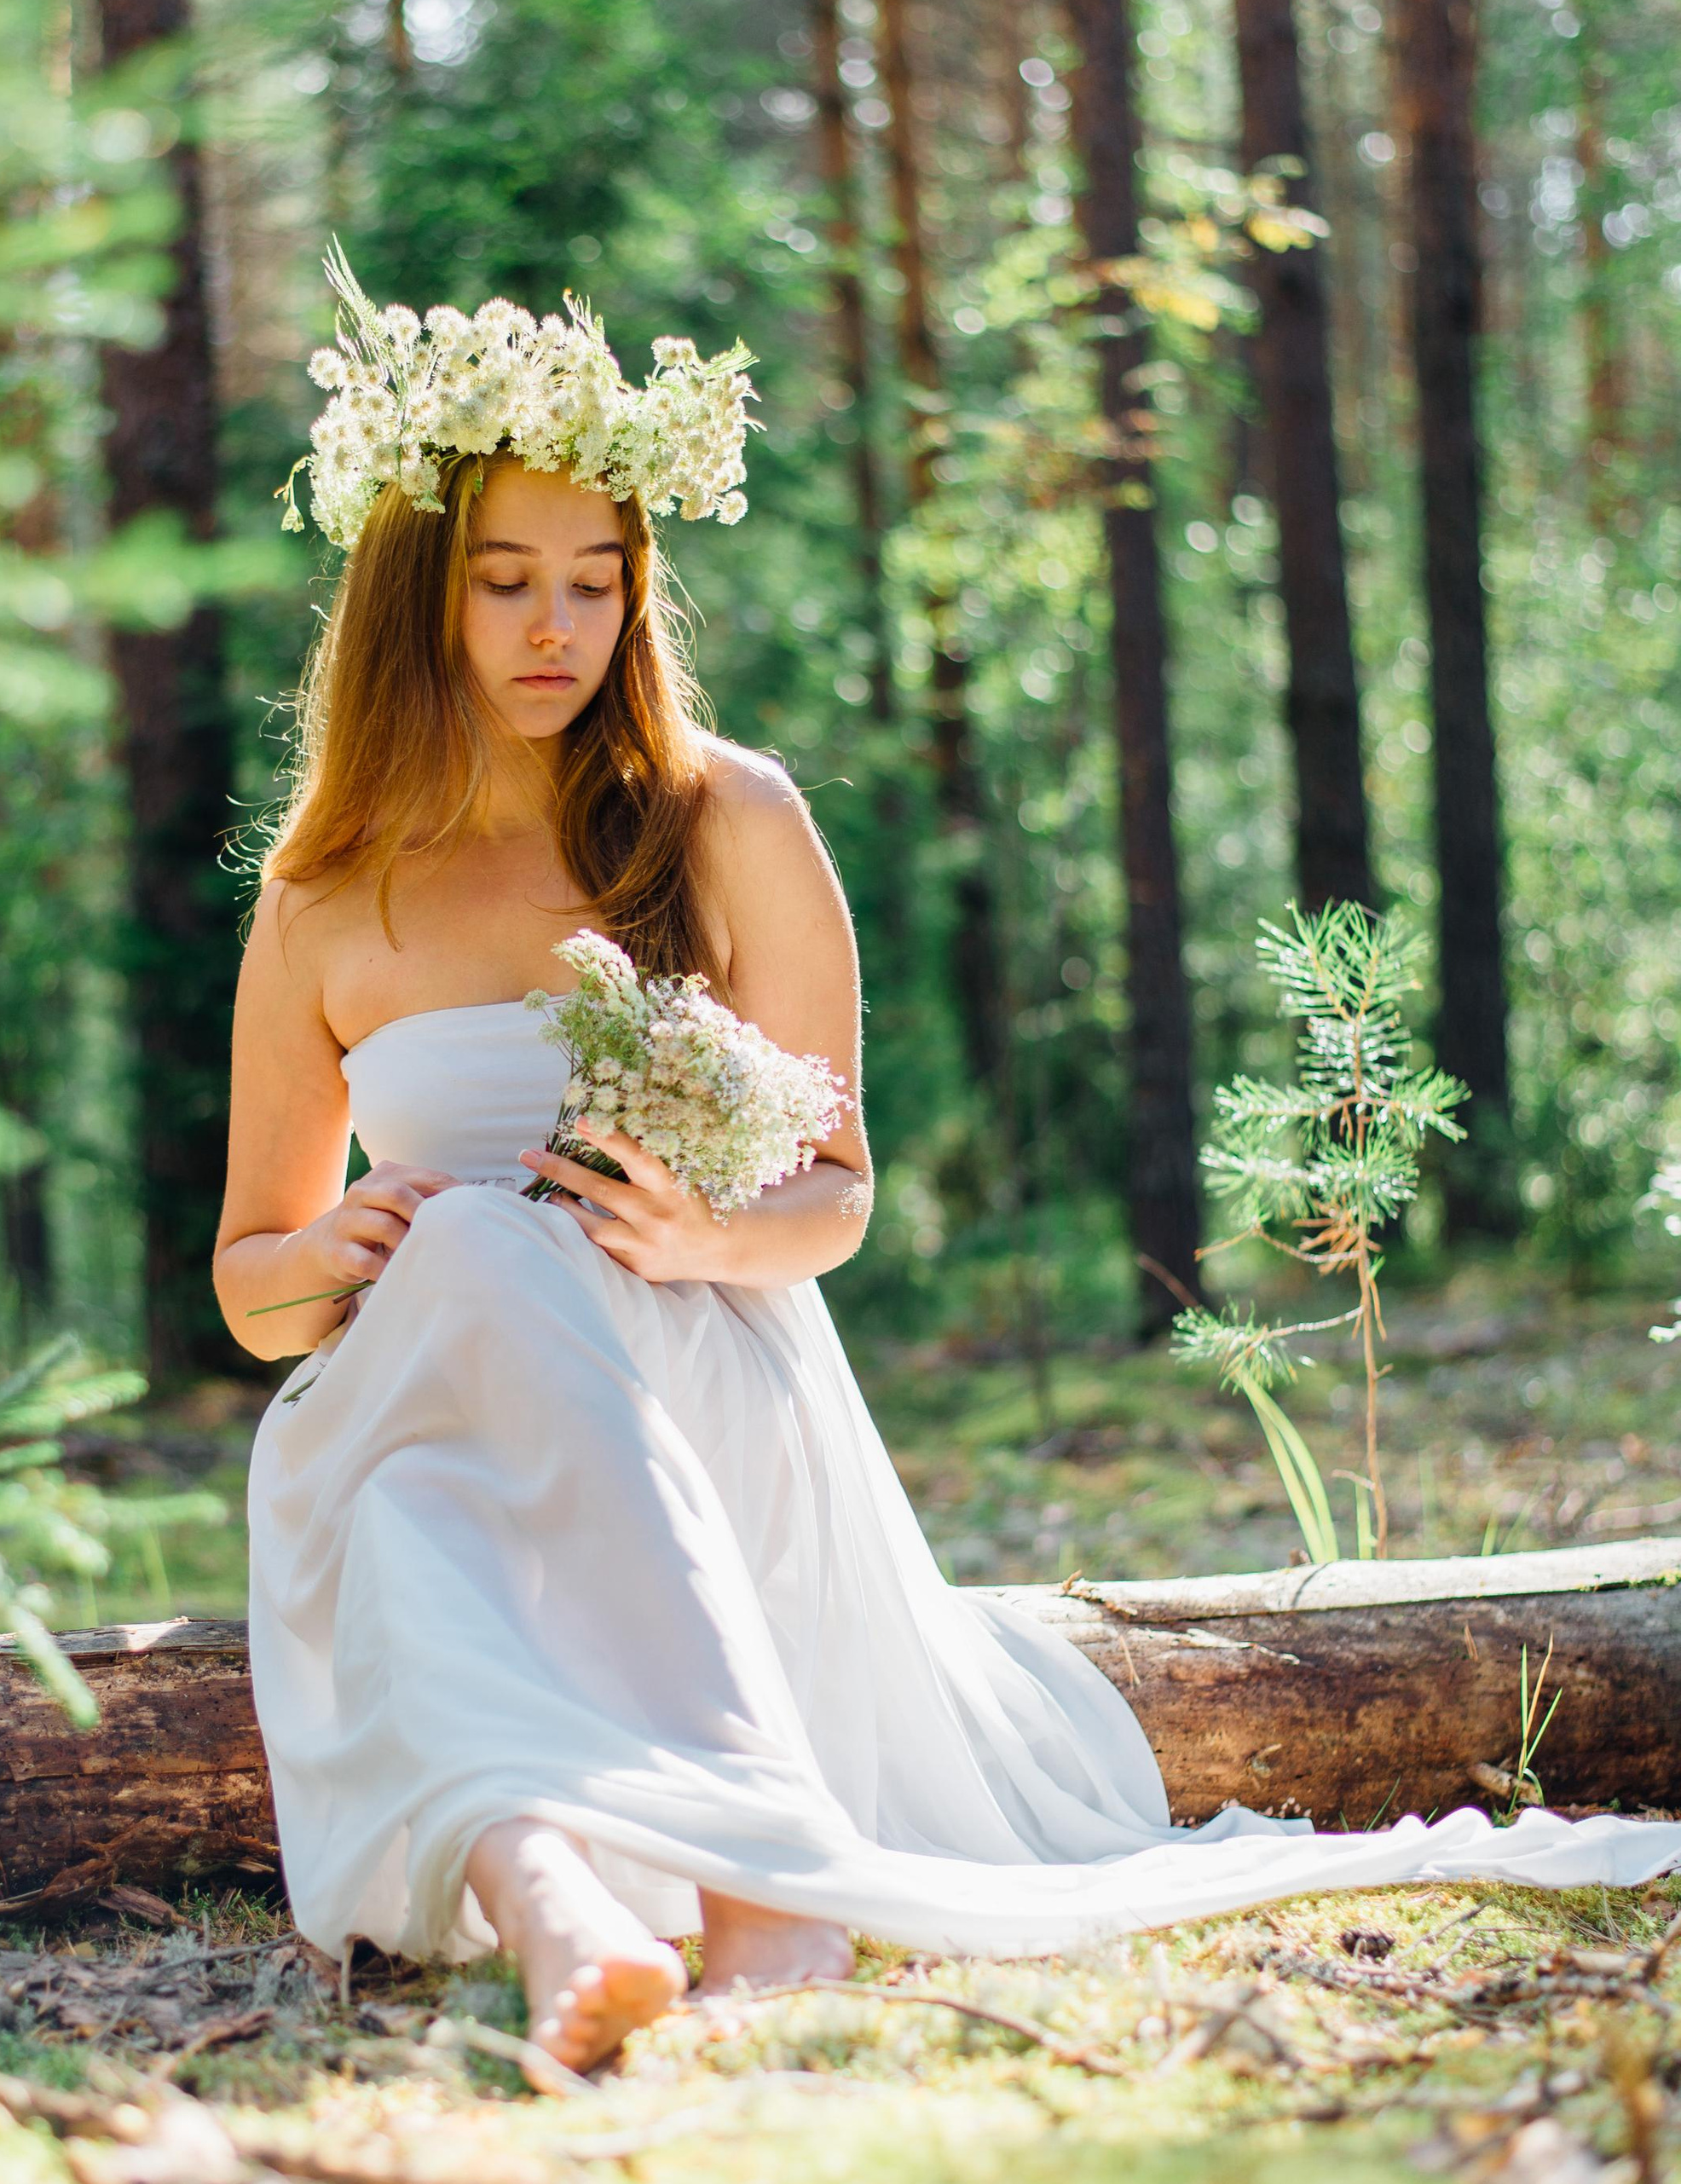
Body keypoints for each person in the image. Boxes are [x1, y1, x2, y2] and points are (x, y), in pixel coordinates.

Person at [213, 258, 1681, 2083]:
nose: (554, 628)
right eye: (503, 582)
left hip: (697, 1368)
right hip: (420, 1381)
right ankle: (614, 1907)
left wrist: (694, 1230)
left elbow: (836, 1196)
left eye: (595, 581)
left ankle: (593, 1887)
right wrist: (336, 1245)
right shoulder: (319, 899)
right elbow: (249, 1282)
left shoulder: (725, 819)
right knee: (460, 1322)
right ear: (403, 600)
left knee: (444, 1467)